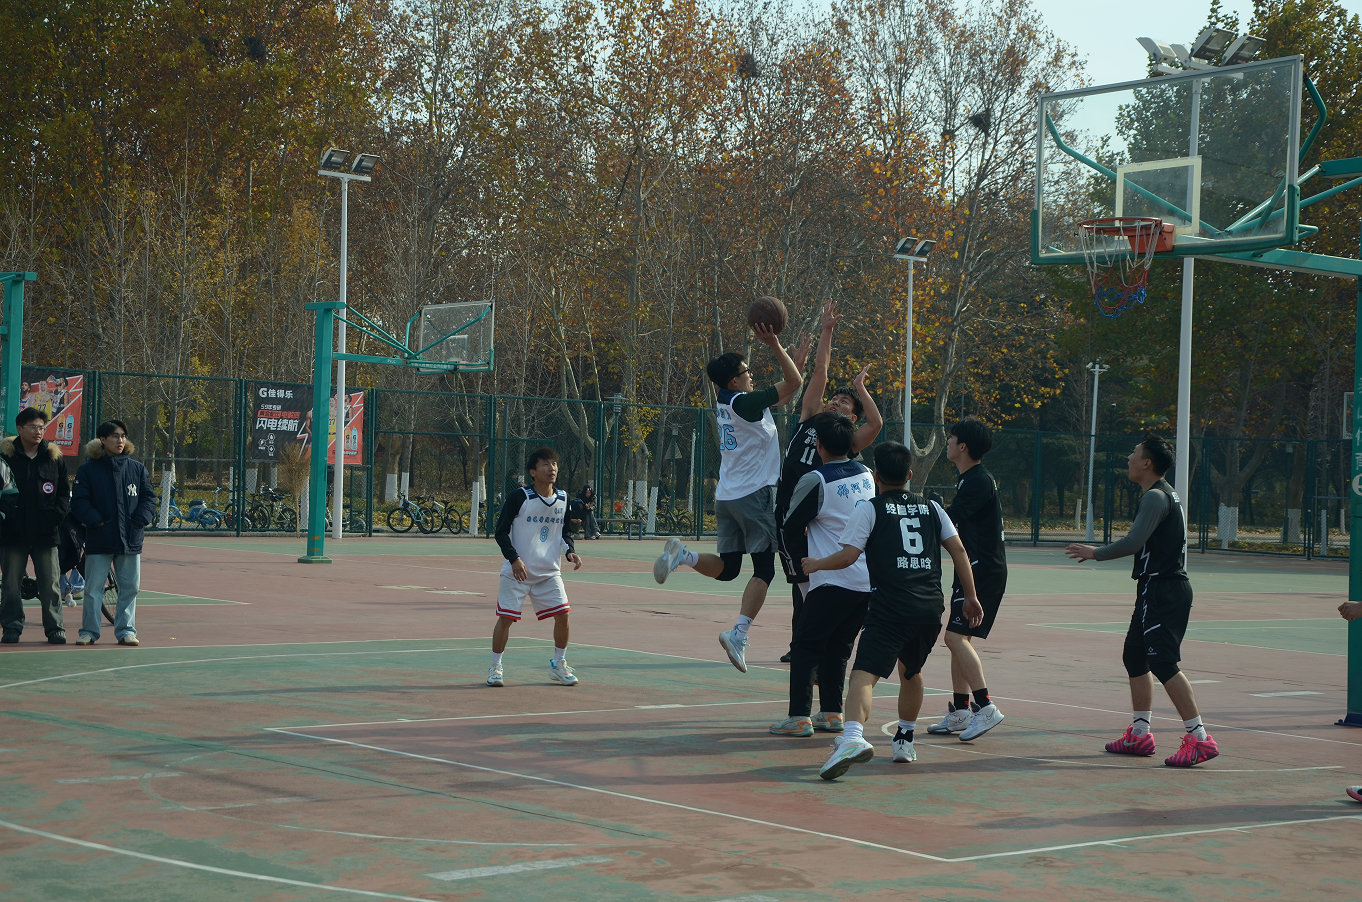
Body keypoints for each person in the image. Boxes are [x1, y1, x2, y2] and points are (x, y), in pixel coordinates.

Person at [801, 442, 983, 779]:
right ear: (910, 474)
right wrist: (970, 595)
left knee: (863, 675)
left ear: (876, 475)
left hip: (890, 607)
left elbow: (848, 556)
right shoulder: (933, 508)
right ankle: (904, 740)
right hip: (929, 607)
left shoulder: (870, 509)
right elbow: (959, 550)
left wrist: (816, 564)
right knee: (911, 671)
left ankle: (852, 738)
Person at [652, 317, 806, 673]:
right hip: (754, 496)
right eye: (747, 371)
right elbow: (794, 385)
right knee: (764, 570)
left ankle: (684, 557)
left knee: (729, 570)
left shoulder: (729, 401)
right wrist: (775, 345)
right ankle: (738, 634)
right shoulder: (745, 403)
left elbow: (787, 390)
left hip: (728, 495)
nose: (752, 376)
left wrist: (793, 363)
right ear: (735, 380)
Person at [1066, 433, 1219, 768]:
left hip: (1164, 589)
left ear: (1147, 463)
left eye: (1134, 453)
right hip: (1155, 588)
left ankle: (1200, 738)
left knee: (1163, 663)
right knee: (1135, 655)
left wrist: (1095, 553)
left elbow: (1133, 542)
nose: (1129, 458)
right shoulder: (1164, 494)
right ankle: (1139, 733)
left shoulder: (1155, 497)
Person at [775, 300, 883, 663]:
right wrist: (826, 330)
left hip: (821, 521)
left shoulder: (847, 441)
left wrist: (859, 387)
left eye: (844, 402)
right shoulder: (810, 417)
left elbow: (877, 424)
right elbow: (820, 369)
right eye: (834, 398)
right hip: (789, 513)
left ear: (853, 418)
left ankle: (812, 647)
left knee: (815, 584)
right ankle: (802, 645)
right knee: (800, 584)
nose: (835, 403)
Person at [769, 412, 874, 737]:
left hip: (831, 577)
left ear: (819, 445)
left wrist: (805, 561)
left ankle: (799, 716)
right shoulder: (867, 475)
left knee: (805, 646)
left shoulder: (816, 479)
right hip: (865, 581)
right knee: (839, 647)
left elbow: (790, 525)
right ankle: (831, 712)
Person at [926, 418, 1009, 741]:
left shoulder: (979, 481)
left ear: (963, 446)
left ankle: (985, 707)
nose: (947, 442)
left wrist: (930, 510)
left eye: (951, 438)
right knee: (959, 639)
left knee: (954, 638)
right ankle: (961, 711)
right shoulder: (970, 480)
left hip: (983, 569)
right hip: (972, 567)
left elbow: (952, 518)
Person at [489, 447, 583, 687]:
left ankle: (558, 664)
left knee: (563, 615)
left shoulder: (563, 499)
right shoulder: (519, 497)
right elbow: (501, 532)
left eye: (554, 464)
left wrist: (570, 551)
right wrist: (514, 559)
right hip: (517, 572)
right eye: (545, 464)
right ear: (533, 472)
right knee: (505, 619)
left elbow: (564, 532)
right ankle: (496, 667)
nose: (552, 468)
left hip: (548, 572)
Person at [70, 420, 156, 646]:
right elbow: (79, 502)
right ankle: (89, 632)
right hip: (99, 539)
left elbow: (149, 498)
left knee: (129, 588)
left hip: (130, 539)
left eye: (123, 436)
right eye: (115, 436)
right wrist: (96, 522)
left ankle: (126, 631)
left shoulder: (137, 469)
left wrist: (140, 520)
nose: (120, 440)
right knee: (92, 589)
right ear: (103, 439)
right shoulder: (88, 470)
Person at [0, 408, 71, 644]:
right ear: (19, 429)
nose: (38, 431)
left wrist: (56, 517)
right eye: (33, 427)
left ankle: (55, 627)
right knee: (11, 584)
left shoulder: (54, 458)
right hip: (13, 532)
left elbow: (63, 493)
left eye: (41, 427)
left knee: (50, 584)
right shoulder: (5, 458)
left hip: (46, 533)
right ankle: (12, 626)